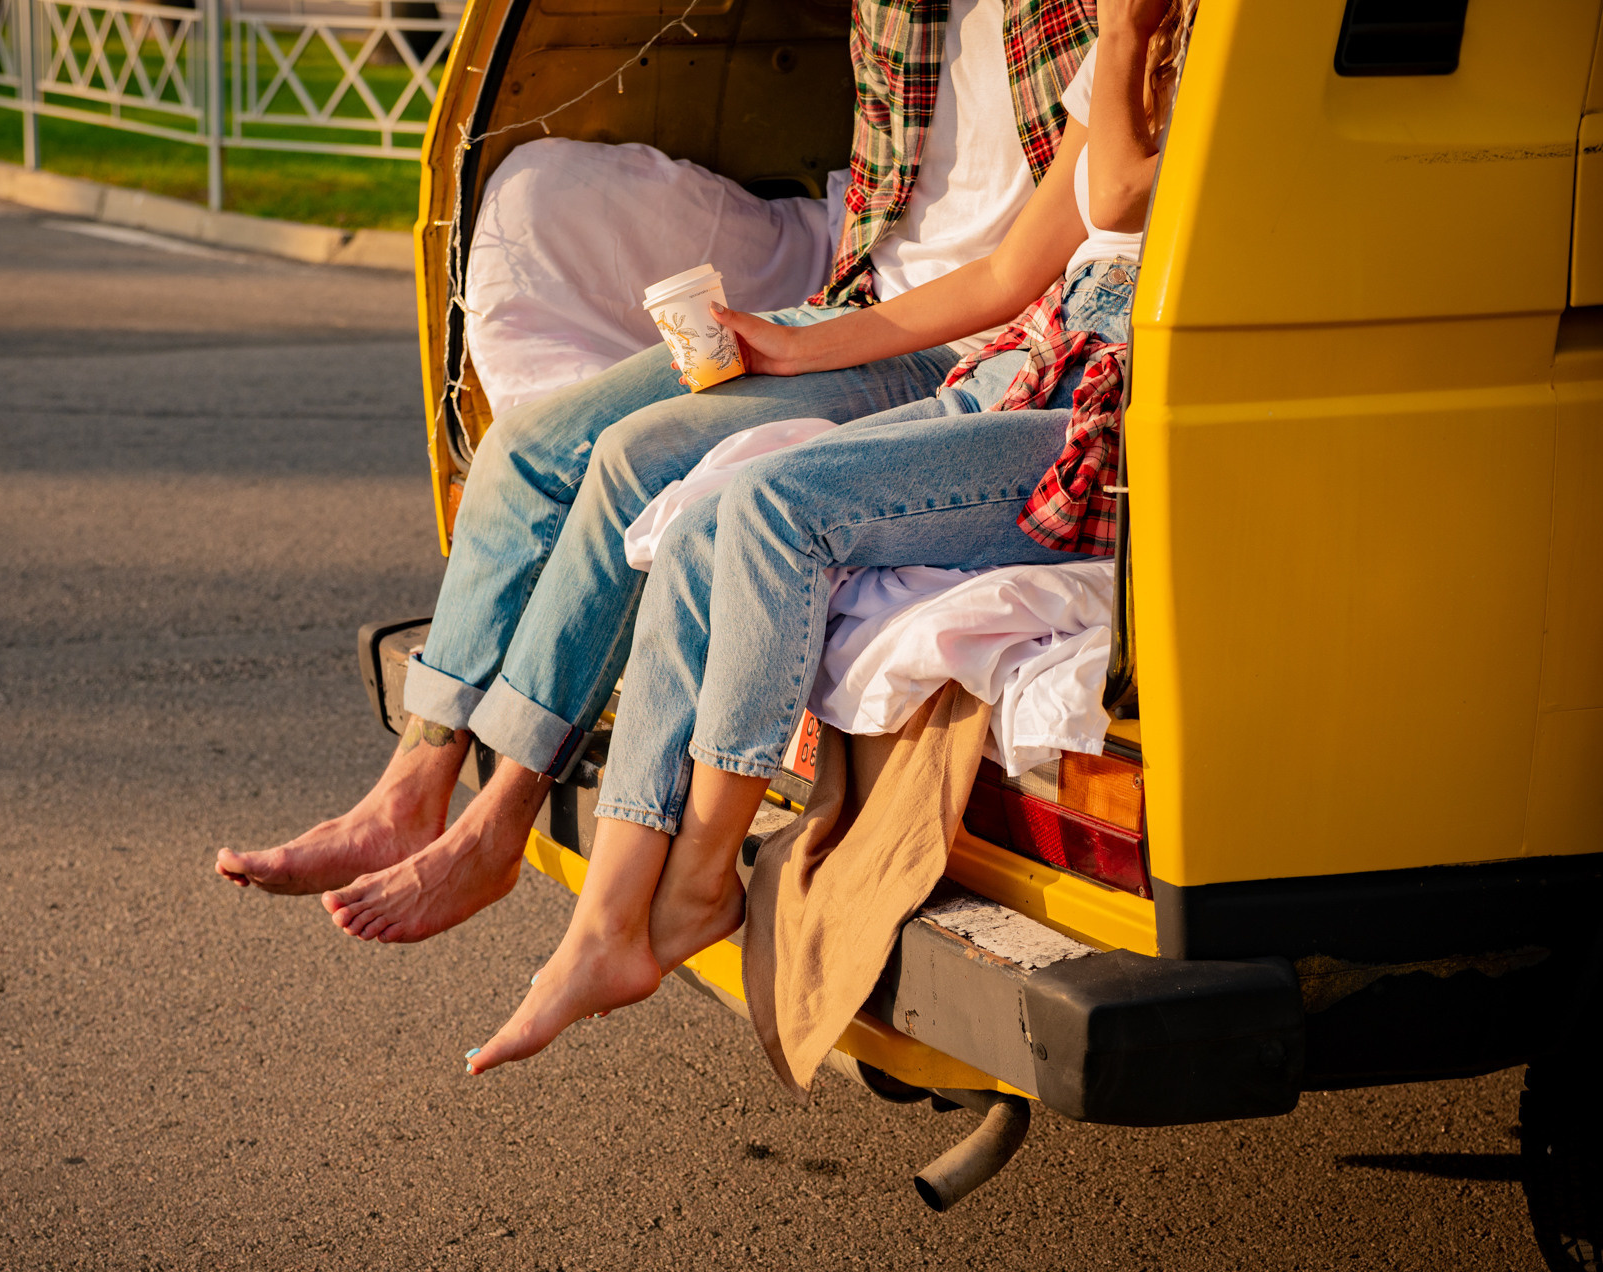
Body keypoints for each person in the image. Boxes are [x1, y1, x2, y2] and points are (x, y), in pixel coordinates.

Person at [216, 0, 1099, 946]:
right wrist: (806, 324)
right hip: (857, 302)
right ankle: (410, 788)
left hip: (969, 348)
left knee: (636, 461)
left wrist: (806, 349)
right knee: (527, 448)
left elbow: (1049, 256)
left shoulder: (1086, 22)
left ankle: (499, 821)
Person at [467, 0, 1196, 1075]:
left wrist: (1130, 34)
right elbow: (1006, 279)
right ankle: (606, 923)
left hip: (1113, 409)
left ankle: (698, 883)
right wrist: (795, 347)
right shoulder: (1122, 57)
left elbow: (1132, 193)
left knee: (776, 510)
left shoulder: (1231, 50)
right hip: (1024, 367)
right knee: (710, 509)